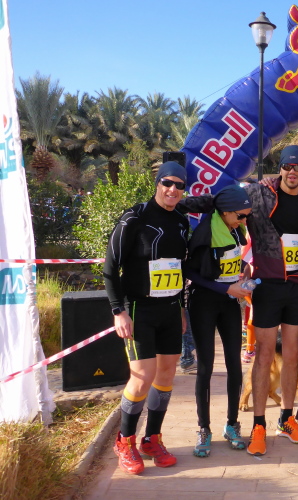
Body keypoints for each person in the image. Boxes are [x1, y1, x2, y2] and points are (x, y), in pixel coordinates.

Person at [242, 145, 298, 456]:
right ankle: (258, 425)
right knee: (264, 355)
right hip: (267, 285)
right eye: (288, 166)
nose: (293, 172)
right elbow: (222, 204)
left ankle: (287, 419)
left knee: (292, 355)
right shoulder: (258, 193)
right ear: (280, 168)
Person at [104, 161, 189, 475]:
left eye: (179, 185)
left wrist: (181, 308)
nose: (173, 190)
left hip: (169, 309)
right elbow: (110, 268)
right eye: (168, 183)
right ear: (158, 183)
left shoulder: (181, 222)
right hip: (139, 309)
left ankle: (152, 439)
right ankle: (124, 440)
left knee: (166, 375)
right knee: (142, 376)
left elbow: (179, 269)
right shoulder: (134, 217)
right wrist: (118, 311)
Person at [183, 185, 253, 457]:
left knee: (235, 364)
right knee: (206, 367)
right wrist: (225, 288)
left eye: (246, 216)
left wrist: (243, 273)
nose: (243, 221)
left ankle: (232, 424)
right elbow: (190, 271)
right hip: (204, 302)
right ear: (224, 211)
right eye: (240, 216)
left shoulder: (234, 229)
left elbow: (230, 261)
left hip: (229, 302)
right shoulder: (205, 232)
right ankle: (204, 428)